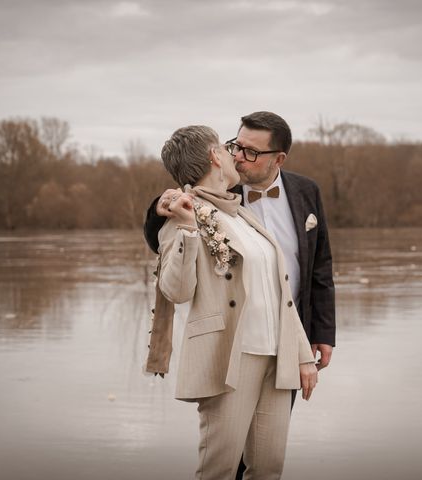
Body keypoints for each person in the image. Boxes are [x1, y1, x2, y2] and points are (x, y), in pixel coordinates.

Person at [146, 125, 318, 479]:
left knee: (268, 469)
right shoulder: (179, 216)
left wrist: (302, 355)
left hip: (276, 358)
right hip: (229, 360)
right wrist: (189, 230)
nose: (234, 155)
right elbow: (175, 291)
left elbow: (281, 293)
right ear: (214, 156)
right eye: (228, 148)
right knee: (218, 471)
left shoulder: (243, 214)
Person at [144, 112, 336, 370]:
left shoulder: (306, 191)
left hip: (294, 332)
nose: (238, 156)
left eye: (251, 152)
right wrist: (159, 207)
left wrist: (322, 332)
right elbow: (165, 236)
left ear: (278, 159)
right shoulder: (222, 193)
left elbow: (320, 267)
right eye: (236, 146)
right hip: (238, 340)